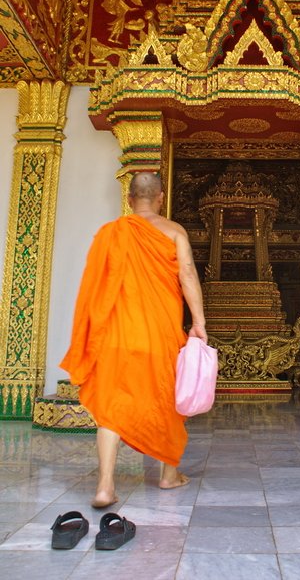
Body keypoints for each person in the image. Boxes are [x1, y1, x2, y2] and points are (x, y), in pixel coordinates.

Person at [61, 171, 207, 508]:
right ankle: (168, 475)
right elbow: (187, 275)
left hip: (115, 334)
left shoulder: (111, 233)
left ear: (129, 200)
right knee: (166, 400)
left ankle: (104, 486)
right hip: (159, 333)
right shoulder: (173, 232)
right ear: (160, 198)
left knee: (111, 411)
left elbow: (96, 287)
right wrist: (198, 322)